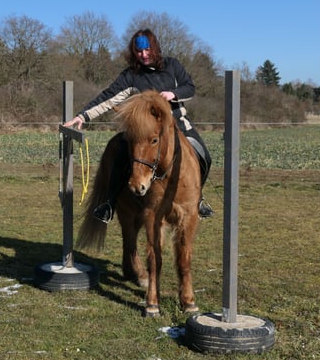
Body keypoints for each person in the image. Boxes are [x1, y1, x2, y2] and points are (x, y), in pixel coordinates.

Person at [64, 29, 213, 223]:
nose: (143, 55)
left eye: (147, 50)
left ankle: (198, 199)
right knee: (120, 156)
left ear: (155, 48)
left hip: (178, 125)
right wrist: (82, 116)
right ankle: (109, 203)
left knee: (205, 157)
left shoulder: (173, 66)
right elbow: (108, 97)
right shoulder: (132, 75)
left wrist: (173, 94)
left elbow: (189, 87)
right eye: (138, 52)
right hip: (144, 132)